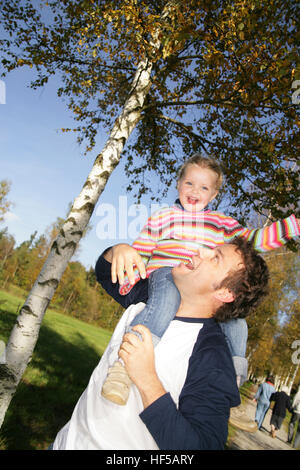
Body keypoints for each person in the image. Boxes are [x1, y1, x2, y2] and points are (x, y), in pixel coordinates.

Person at [101, 154, 300, 407]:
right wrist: (131, 274)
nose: (195, 192)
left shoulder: (221, 224)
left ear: (214, 195)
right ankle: (123, 368)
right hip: (165, 274)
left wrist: (293, 226)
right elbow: (141, 250)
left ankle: (232, 382)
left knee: (236, 321)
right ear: (178, 184)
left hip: (200, 287)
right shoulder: (163, 217)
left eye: (204, 187)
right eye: (189, 184)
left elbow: (255, 241)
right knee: (167, 298)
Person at [52, 238, 269, 450]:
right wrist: (117, 250)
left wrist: (147, 380)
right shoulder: (148, 299)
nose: (202, 251)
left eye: (215, 258)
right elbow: (104, 272)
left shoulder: (212, 357)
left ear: (226, 292)